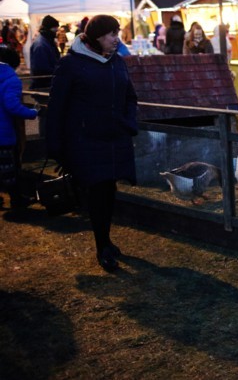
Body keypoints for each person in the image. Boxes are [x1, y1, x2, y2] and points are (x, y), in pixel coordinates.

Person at [46, 15, 138, 272]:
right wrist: (56, 145)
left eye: (117, 33)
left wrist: (128, 122)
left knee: (109, 192)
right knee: (97, 193)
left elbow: (130, 96)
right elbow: (56, 108)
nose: (116, 38)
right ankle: (102, 247)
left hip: (114, 139)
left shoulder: (116, 62)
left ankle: (106, 239)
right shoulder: (72, 65)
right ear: (97, 37)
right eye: (111, 34)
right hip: (86, 141)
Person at [0, 45, 39, 210]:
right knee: (10, 168)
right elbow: (12, 106)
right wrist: (32, 112)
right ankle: (17, 199)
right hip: (4, 133)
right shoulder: (11, 79)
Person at [30, 15, 61, 91]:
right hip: (44, 84)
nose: (56, 31)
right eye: (55, 29)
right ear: (48, 28)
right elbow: (41, 68)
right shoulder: (41, 45)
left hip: (48, 81)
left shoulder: (47, 40)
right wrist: (59, 71)